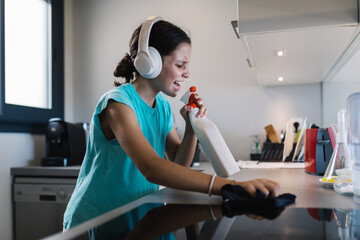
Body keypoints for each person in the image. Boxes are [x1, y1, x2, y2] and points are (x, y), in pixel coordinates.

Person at [63, 16, 279, 230]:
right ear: (151, 62)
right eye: (180, 64)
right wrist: (231, 187)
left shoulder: (163, 107)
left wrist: (191, 127)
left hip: (140, 213)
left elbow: (177, 164)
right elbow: (152, 168)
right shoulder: (118, 105)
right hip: (99, 219)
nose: (187, 73)